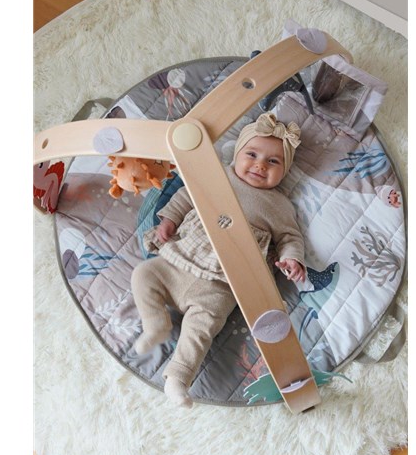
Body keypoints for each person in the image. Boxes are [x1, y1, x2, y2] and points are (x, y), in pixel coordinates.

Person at [131, 112, 307, 407]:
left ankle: (178, 378)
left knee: (201, 329)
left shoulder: (279, 205)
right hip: (179, 260)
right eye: (252, 154)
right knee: (144, 274)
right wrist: (169, 220)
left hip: (221, 284)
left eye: (273, 161)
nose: (260, 165)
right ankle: (155, 324)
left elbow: (290, 237)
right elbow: (186, 196)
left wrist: (292, 259)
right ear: (236, 153)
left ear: (285, 171)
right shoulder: (219, 176)